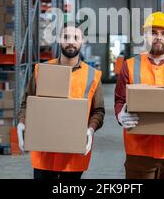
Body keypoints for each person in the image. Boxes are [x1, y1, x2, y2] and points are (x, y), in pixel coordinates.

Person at [16, 22, 105, 180]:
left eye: (76, 37)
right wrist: (22, 123)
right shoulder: (42, 70)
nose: (71, 41)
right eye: (66, 37)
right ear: (59, 39)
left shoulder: (93, 76)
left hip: (74, 154)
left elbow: (98, 111)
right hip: (44, 152)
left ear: (82, 41)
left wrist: (90, 130)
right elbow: (27, 103)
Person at [114, 12, 164, 179]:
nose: (158, 37)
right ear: (145, 35)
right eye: (153, 33)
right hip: (138, 149)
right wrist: (120, 115)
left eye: (163, 34)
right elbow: (119, 100)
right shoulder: (129, 66)